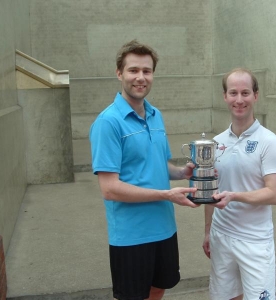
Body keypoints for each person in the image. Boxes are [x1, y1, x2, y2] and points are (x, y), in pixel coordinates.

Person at [89, 39, 199, 300]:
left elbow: (158, 164)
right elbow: (110, 189)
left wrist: (182, 173)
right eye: (133, 70)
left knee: (158, 288)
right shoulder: (108, 123)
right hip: (131, 235)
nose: (140, 78)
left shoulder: (155, 115)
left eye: (146, 71)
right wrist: (165, 195)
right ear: (119, 73)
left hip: (164, 227)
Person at [202, 68, 276, 300]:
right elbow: (211, 190)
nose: (239, 100)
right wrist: (208, 231)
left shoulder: (270, 143)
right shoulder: (216, 143)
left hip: (255, 241)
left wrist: (234, 196)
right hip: (221, 236)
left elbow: (274, 194)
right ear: (225, 96)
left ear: (256, 95)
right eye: (233, 93)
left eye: (245, 93)